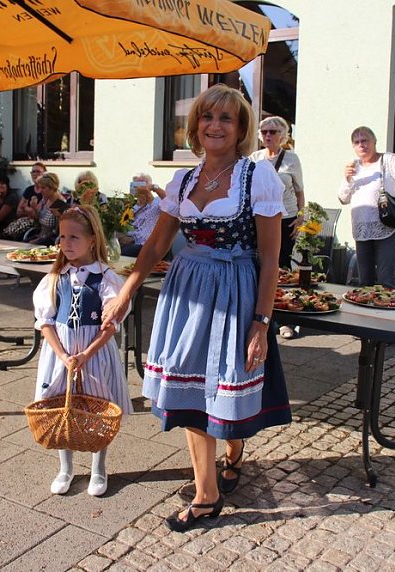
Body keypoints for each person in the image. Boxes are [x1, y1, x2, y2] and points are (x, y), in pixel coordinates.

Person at [101, 84, 291, 532]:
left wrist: (261, 324)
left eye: (226, 118)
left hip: (235, 292)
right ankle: (207, 494)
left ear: (242, 127)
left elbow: (271, 259)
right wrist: (127, 290)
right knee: (190, 391)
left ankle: (235, 447)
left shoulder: (258, 177)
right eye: (207, 117)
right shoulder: (183, 180)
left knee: (226, 385)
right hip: (186, 290)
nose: (215, 125)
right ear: (196, 126)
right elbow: (155, 245)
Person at [32, 204, 131, 497]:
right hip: (60, 353)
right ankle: (65, 467)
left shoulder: (107, 279)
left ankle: (99, 468)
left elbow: (110, 326)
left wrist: (86, 354)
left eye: (74, 237)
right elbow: (45, 322)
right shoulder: (54, 278)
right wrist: (63, 355)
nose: (66, 244)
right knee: (60, 406)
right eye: (62, 237)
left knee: (97, 408)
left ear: (92, 239)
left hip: (94, 354)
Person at [338, 126, 395, 288]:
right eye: (357, 142)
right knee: (365, 281)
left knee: (386, 280)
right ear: (353, 146)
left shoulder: (388, 160)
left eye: (365, 140)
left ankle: (387, 310)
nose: (362, 145)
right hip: (361, 228)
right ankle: (365, 312)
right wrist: (348, 179)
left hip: (385, 225)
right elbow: (343, 198)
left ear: (374, 142)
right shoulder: (354, 166)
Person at [250, 116, 305, 339]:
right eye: (264, 132)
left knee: (281, 269)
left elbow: (300, 190)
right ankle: (261, 315)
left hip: (286, 218)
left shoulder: (292, 159)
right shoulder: (255, 157)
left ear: (283, 135)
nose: (268, 136)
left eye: (273, 132)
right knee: (258, 266)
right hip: (260, 218)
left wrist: (301, 217)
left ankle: (284, 320)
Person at [119, 173, 165, 257]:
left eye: (143, 184)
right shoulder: (134, 207)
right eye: (136, 185)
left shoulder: (158, 202)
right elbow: (126, 225)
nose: (140, 189)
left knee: (122, 251)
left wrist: (154, 188)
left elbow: (171, 202)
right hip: (133, 242)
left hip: (148, 245)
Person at [3, 162, 45, 240]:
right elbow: (18, 212)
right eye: (33, 172)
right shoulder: (29, 190)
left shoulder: (45, 191)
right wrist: (30, 211)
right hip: (24, 221)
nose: (35, 174)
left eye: (38, 171)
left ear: (44, 174)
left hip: (37, 225)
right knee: (6, 234)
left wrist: (26, 208)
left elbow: (39, 215)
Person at [29, 172, 64, 246]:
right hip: (40, 235)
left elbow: (64, 228)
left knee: (26, 245)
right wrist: (34, 208)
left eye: (43, 188)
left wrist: (59, 216)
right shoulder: (45, 199)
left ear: (52, 187)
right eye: (40, 187)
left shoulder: (60, 203)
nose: (40, 190)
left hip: (51, 240)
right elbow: (36, 221)